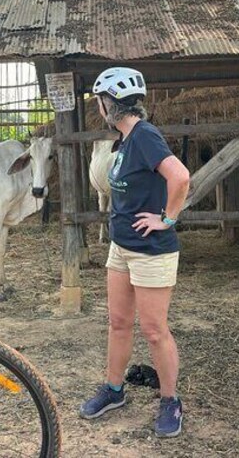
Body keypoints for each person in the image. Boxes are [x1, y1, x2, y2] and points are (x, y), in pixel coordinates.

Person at [79, 66, 190, 438]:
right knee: (118, 323)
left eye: (99, 101)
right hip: (122, 248)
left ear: (108, 103)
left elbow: (180, 177)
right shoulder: (125, 140)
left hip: (150, 251)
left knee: (154, 330)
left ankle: (170, 400)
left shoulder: (144, 135)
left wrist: (167, 219)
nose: (98, 106)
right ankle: (114, 389)